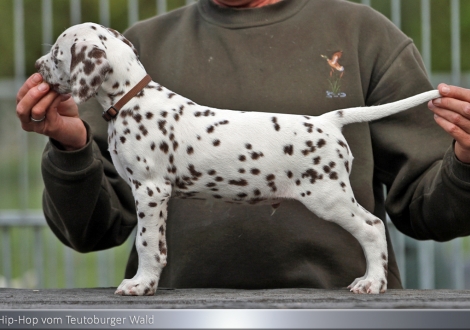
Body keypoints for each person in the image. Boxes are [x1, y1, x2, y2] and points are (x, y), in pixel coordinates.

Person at [16, 0, 470, 290]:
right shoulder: (134, 50)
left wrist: (465, 163)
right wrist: (70, 147)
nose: (46, 63)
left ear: (85, 69)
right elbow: (92, 229)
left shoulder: (363, 35)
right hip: (174, 318)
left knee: (336, 206)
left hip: (344, 317)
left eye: (57, 56)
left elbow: (428, 209)